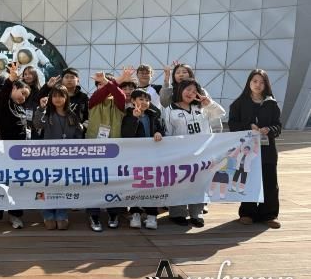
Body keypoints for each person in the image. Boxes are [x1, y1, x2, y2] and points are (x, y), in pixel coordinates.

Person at [162, 78, 225, 227]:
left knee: (200, 182)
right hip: (181, 154)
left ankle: (196, 213)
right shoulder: (170, 110)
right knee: (179, 183)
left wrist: (209, 103)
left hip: (202, 152)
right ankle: (177, 213)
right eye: (188, 89)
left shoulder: (202, 107)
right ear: (180, 90)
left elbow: (221, 114)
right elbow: (168, 132)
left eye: (194, 91)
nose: (191, 93)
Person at [228, 69, 282, 229]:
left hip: (267, 150)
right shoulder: (239, 103)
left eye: (262, 82)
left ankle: (269, 214)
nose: (258, 85)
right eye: (255, 81)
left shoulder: (272, 104)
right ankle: (247, 213)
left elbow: (278, 126)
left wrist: (269, 129)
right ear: (249, 83)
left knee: (270, 181)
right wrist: (248, 126)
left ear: (266, 85)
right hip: (247, 150)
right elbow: (232, 125)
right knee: (248, 180)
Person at [0, 62, 31, 234]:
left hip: (19, 154)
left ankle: (14, 215)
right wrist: (11, 79)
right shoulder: (4, 102)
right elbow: (3, 94)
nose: (23, 97)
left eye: (26, 96)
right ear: (14, 88)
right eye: (22, 93)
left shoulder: (21, 107)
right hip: (3, 151)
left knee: (16, 184)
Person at [33, 85, 84, 230]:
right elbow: (37, 124)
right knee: (47, 184)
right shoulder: (46, 113)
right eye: (54, 96)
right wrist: (41, 108)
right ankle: (47, 213)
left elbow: (78, 136)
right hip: (47, 158)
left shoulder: (72, 115)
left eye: (61, 95)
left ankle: (62, 213)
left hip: (67, 159)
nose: (57, 99)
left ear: (66, 98)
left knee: (63, 185)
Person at [84, 70, 129, 231]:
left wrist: (109, 82)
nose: (103, 87)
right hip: (93, 149)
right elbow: (100, 94)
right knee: (93, 182)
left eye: (105, 83)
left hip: (114, 150)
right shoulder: (93, 100)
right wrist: (112, 82)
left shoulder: (119, 102)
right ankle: (93, 214)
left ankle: (113, 213)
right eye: (100, 84)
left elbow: (119, 95)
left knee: (113, 182)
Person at [121, 89, 164, 230]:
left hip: (152, 158)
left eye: (147, 100)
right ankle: (135, 213)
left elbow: (161, 129)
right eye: (141, 99)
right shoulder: (127, 116)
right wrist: (135, 119)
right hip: (135, 159)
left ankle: (152, 215)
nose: (144, 102)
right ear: (133, 101)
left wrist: (159, 132)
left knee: (152, 185)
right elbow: (126, 135)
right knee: (136, 185)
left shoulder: (153, 115)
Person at [22, 65, 42, 139]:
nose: (27, 76)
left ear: (35, 75)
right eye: (25, 74)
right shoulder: (19, 89)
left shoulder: (39, 90)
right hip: (22, 122)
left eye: (30, 74)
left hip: (34, 124)